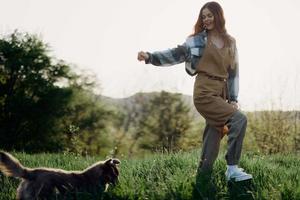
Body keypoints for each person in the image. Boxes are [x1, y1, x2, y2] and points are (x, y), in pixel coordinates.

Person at [137, 0, 252, 186]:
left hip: (221, 92)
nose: (206, 19)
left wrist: (233, 98)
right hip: (204, 91)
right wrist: (151, 57)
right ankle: (232, 168)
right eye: (203, 16)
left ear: (218, 16)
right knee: (239, 119)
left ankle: (203, 177)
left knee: (213, 133)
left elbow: (233, 73)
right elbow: (176, 54)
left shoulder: (231, 42)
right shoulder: (196, 40)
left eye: (209, 15)